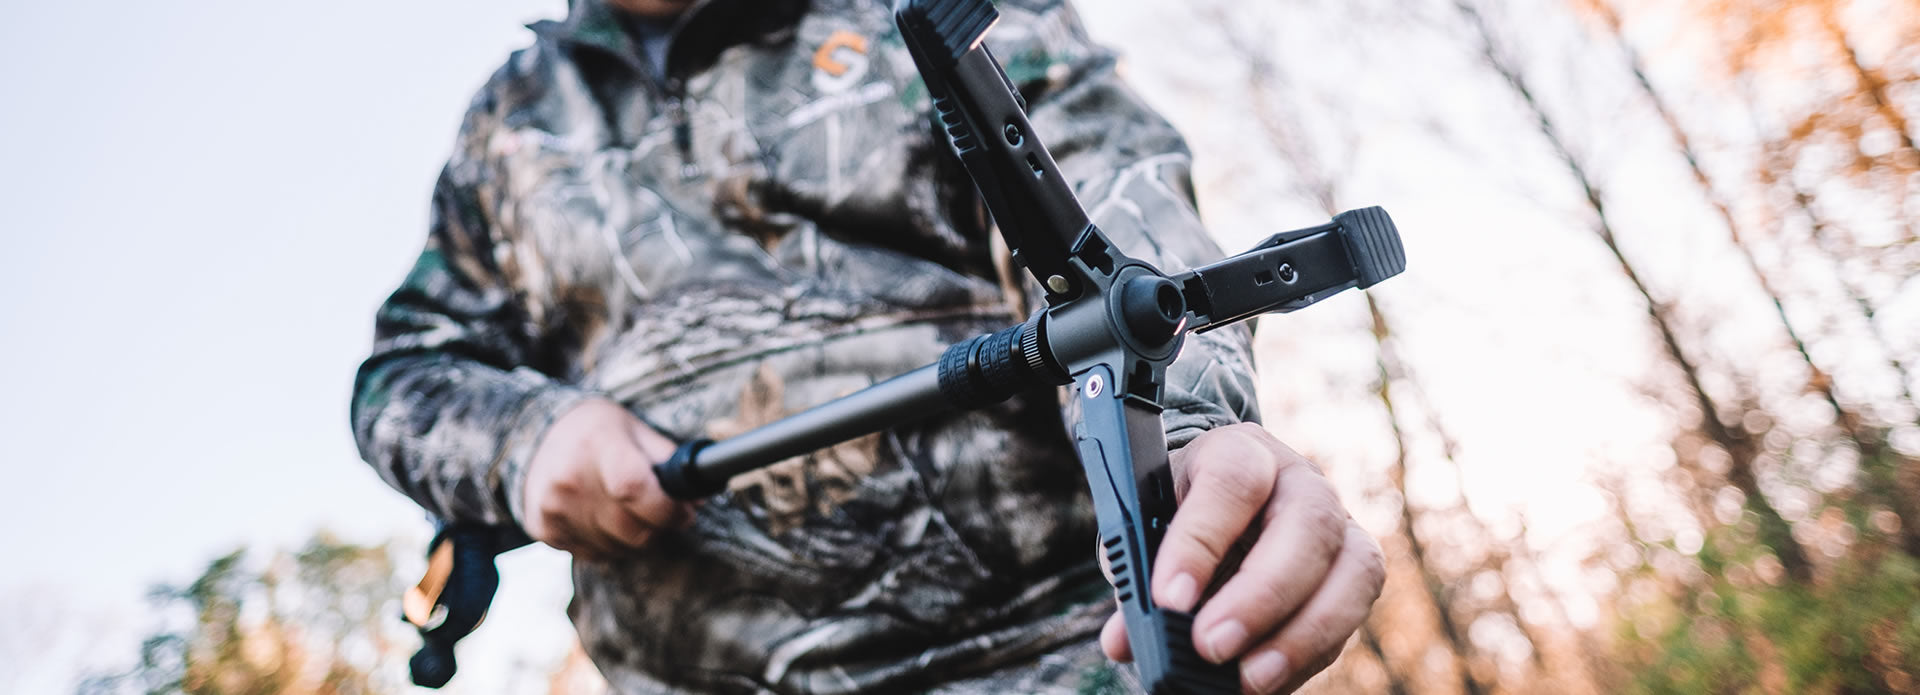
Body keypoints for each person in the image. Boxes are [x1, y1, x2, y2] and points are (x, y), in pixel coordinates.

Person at [351, 0, 1385, 692]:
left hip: (1059, 652)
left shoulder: (930, 10)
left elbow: (1114, 228)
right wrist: (528, 436)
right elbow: (405, 372)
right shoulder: (512, 125)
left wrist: (1192, 430)